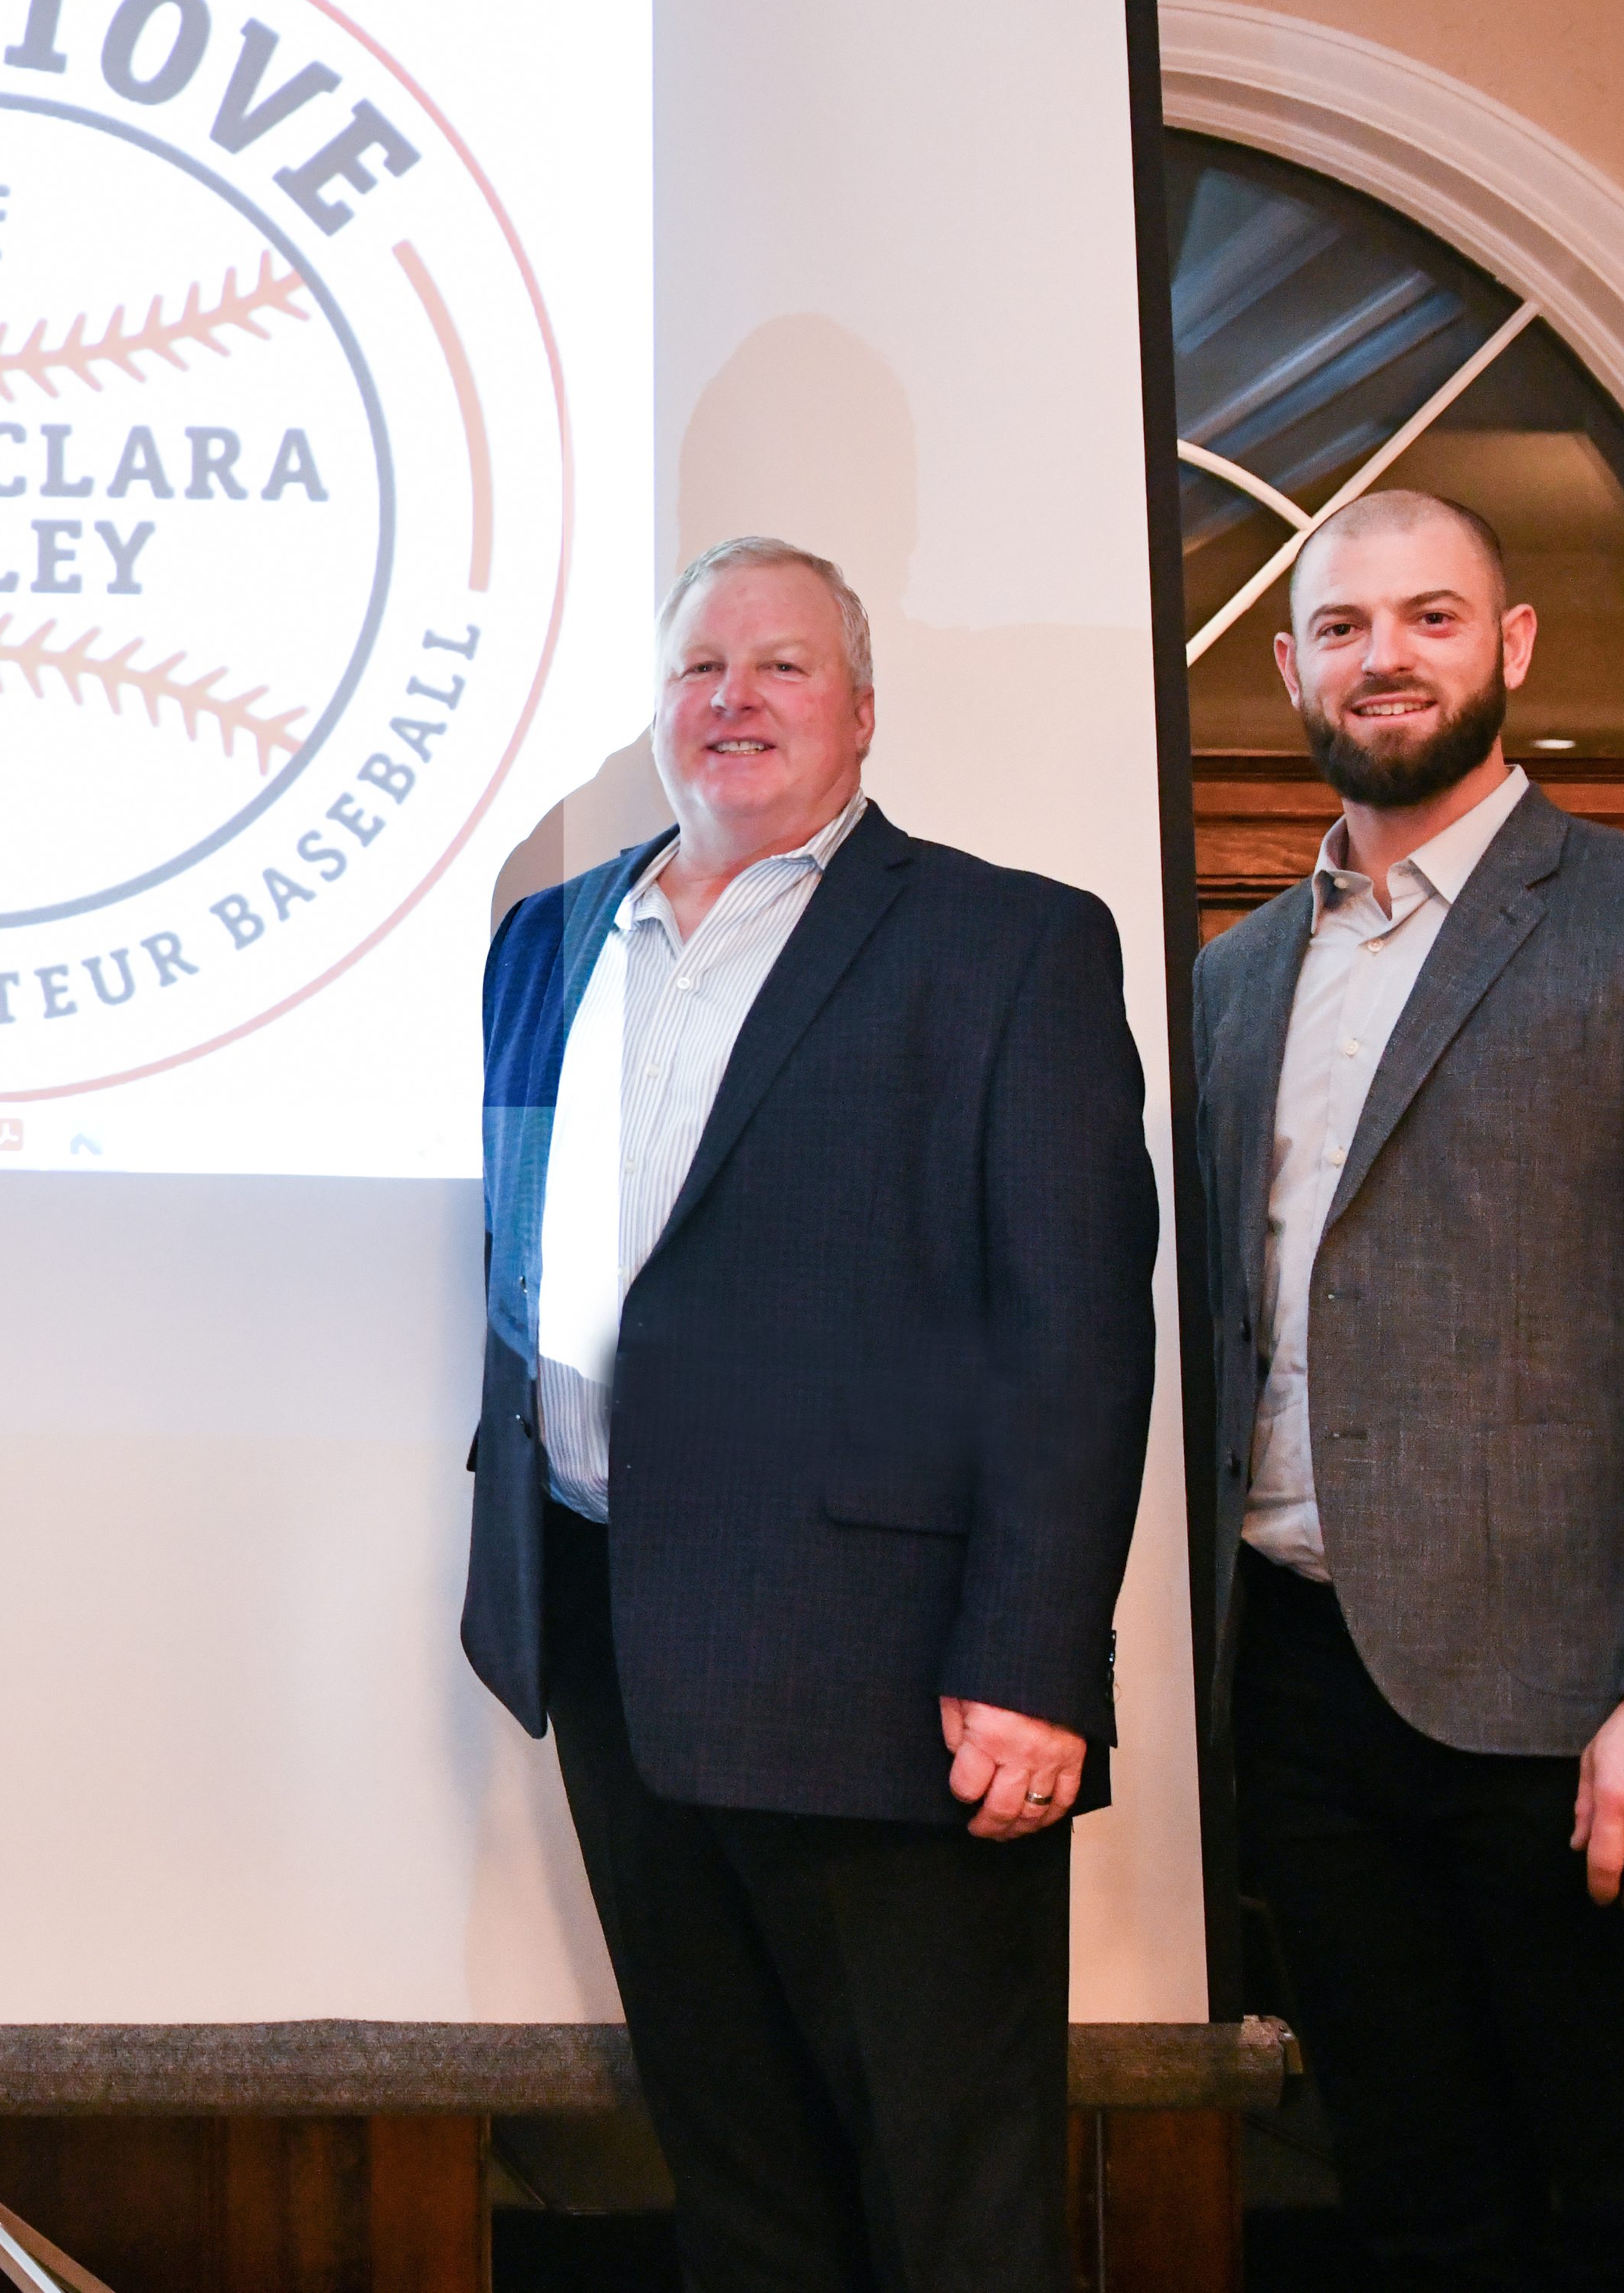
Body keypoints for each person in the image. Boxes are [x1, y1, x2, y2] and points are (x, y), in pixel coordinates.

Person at [460, 536, 1158, 2291]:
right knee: (735, 2170)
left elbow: (1070, 1329)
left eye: (779, 666)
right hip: (611, 1636)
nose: (733, 699)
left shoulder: (1009, 945)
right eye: (700, 667)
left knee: (948, 2194)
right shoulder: (547, 940)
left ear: (860, 709)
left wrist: (1032, 1652)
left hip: (893, 1675)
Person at [1195, 488, 1624, 2291]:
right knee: (1410, 2209)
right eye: (1348, 625)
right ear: (1293, 663)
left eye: (1431, 617)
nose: (1387, 656)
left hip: (1574, 1705)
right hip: (1298, 1687)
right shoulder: (1231, 974)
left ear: (1509, 648)